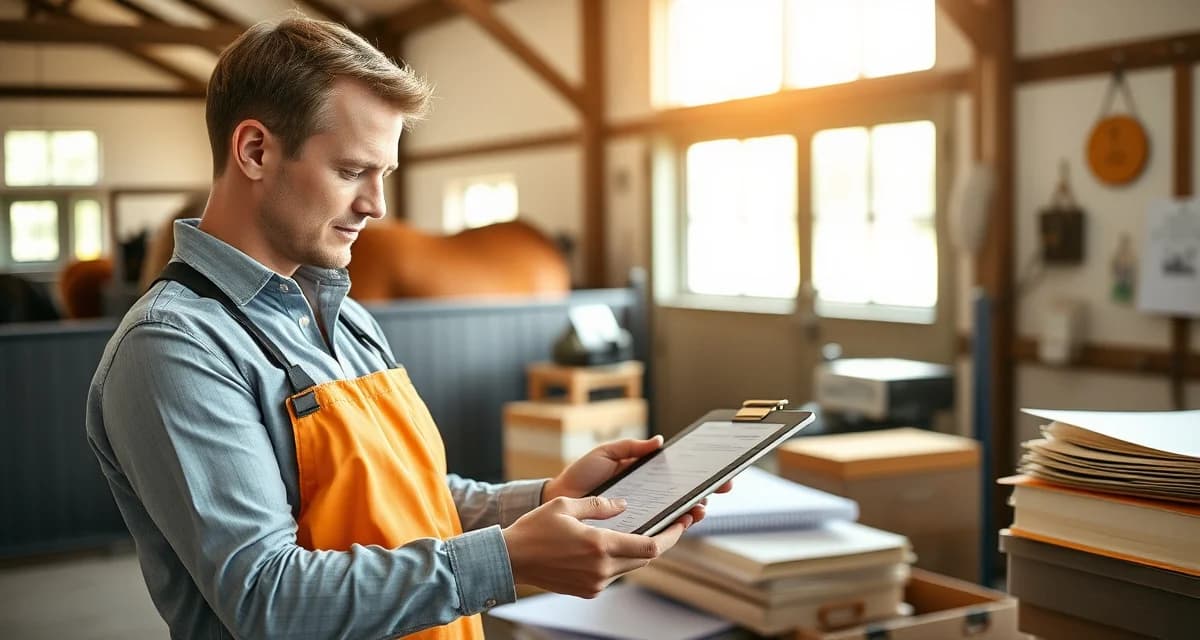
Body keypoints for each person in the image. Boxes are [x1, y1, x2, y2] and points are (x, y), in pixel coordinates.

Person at [85, 15, 722, 640]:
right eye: (349, 171)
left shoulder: (346, 317)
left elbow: (410, 496)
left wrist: (545, 497)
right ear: (254, 150)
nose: (376, 205)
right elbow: (266, 599)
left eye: (382, 174)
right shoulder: (175, 347)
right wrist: (509, 558)